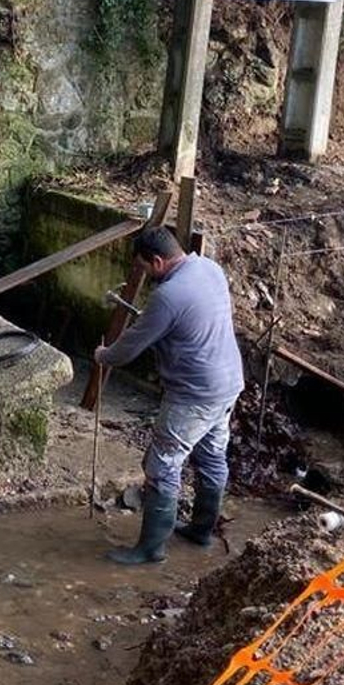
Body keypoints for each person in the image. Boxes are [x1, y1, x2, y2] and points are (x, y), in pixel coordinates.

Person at [94, 225, 244, 565]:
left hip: (194, 395)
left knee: (162, 465)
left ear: (158, 261)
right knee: (211, 457)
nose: (146, 274)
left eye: (145, 268)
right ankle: (202, 531)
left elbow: (128, 348)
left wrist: (102, 355)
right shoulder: (209, 268)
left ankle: (149, 549)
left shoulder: (168, 296)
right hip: (228, 384)